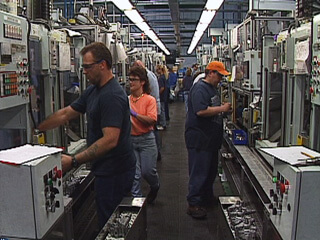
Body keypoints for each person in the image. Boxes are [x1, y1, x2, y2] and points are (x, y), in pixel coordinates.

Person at [37, 42, 136, 229]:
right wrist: (39, 128)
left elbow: (110, 140)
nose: (84, 71)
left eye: (87, 67)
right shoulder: (94, 91)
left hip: (115, 172)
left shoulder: (112, 96)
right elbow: (67, 113)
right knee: (105, 215)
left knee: (109, 223)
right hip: (104, 169)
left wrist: (74, 161)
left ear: (103, 65)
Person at [185, 61, 232, 219]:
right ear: (210, 73)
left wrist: (222, 112)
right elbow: (201, 111)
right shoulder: (199, 89)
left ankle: (206, 197)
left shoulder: (212, 89)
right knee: (199, 172)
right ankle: (194, 203)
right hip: (200, 139)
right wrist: (222, 109)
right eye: (219, 75)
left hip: (210, 140)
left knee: (210, 172)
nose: (220, 79)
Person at [128, 66, 160, 204]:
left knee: (148, 171)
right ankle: (138, 202)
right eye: (130, 80)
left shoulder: (149, 100)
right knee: (135, 175)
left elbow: (152, 120)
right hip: (131, 140)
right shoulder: (126, 99)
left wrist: (134, 114)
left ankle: (155, 186)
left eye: (134, 80)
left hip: (147, 140)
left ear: (142, 82)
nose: (131, 83)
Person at [156, 65, 168, 130]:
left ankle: (163, 124)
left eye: (157, 70)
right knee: (163, 109)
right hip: (164, 96)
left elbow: (162, 88)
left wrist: (158, 93)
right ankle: (163, 123)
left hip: (162, 96)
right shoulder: (164, 76)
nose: (156, 71)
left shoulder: (160, 78)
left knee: (161, 110)